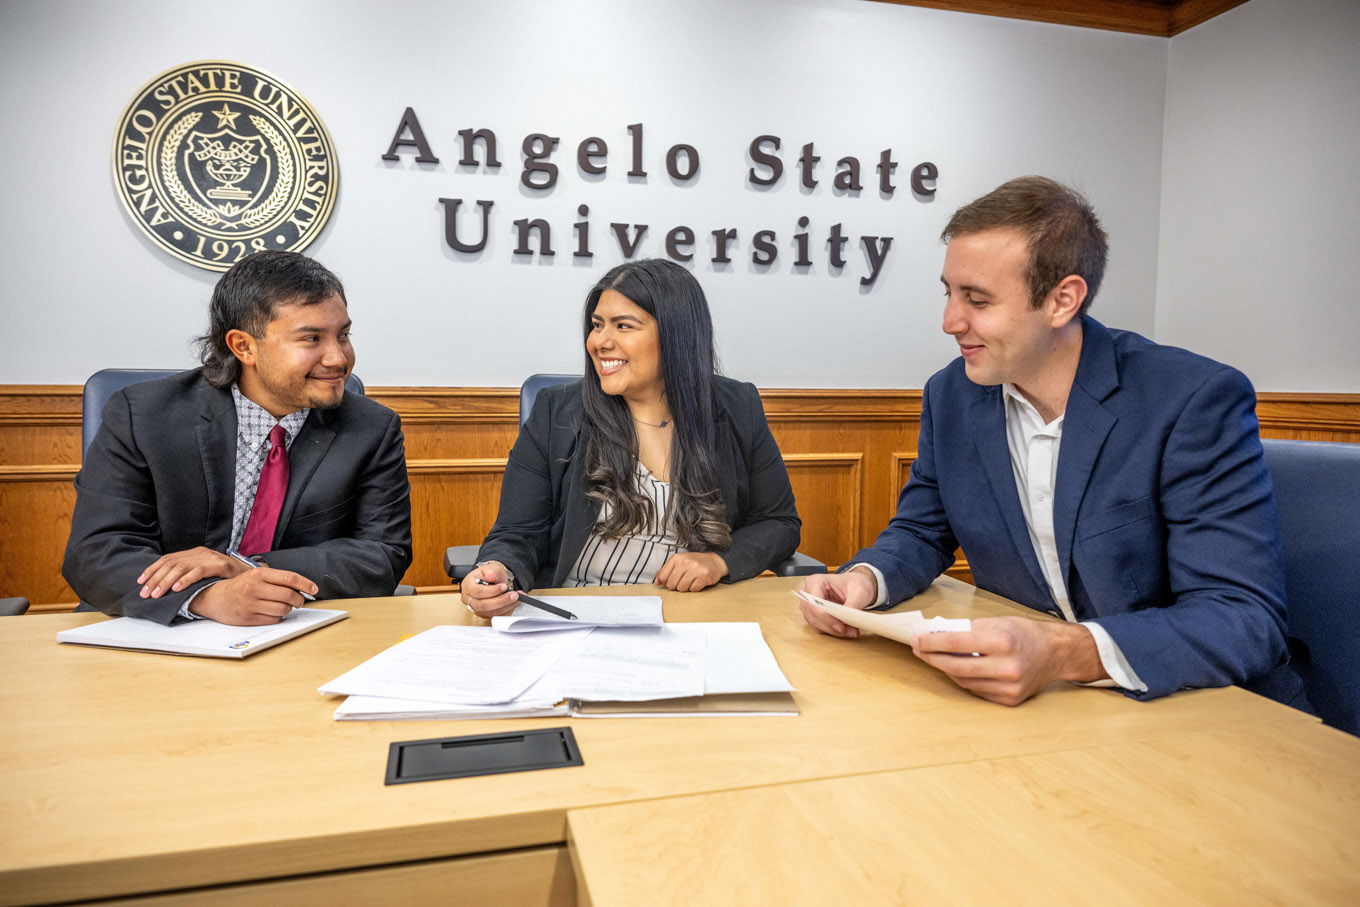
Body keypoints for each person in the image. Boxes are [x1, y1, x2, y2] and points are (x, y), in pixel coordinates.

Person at [799, 176, 1305, 708]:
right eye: (949, 293)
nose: (950, 321)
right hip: (1044, 709)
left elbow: (1243, 617)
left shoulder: (1189, 400)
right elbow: (922, 530)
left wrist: (1064, 652)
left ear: (1063, 300)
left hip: (1200, 707)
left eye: (978, 300)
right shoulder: (951, 395)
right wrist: (865, 579)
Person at [63, 251, 413, 626]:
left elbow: (382, 555)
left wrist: (243, 567)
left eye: (343, 336)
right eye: (311, 338)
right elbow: (96, 552)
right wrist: (206, 597)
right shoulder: (143, 415)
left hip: (296, 625)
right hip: (155, 628)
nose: (338, 358)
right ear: (243, 346)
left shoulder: (372, 428)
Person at [463, 258, 801, 616]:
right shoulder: (556, 412)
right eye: (597, 325)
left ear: (675, 334)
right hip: (574, 613)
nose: (600, 342)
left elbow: (779, 523)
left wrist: (720, 561)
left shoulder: (737, 407)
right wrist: (499, 571)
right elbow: (516, 533)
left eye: (623, 326)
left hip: (692, 614)